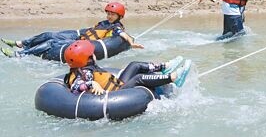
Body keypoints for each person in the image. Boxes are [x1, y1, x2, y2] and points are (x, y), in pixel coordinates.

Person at [1, 2, 143, 58]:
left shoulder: (116, 27)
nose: (109, 16)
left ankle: (20, 54)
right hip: (78, 38)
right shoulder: (104, 22)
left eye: (112, 14)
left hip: (82, 46)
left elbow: (122, 34)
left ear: (119, 16)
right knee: (48, 34)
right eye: (108, 13)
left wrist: (131, 43)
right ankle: (21, 43)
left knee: (51, 42)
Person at [63, 40, 192, 95]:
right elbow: (76, 86)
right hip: (115, 94)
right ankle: (173, 78)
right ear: (87, 59)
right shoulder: (84, 73)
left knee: (134, 65)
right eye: (92, 54)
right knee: (138, 78)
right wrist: (91, 84)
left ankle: (165, 67)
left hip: (118, 86)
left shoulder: (83, 68)